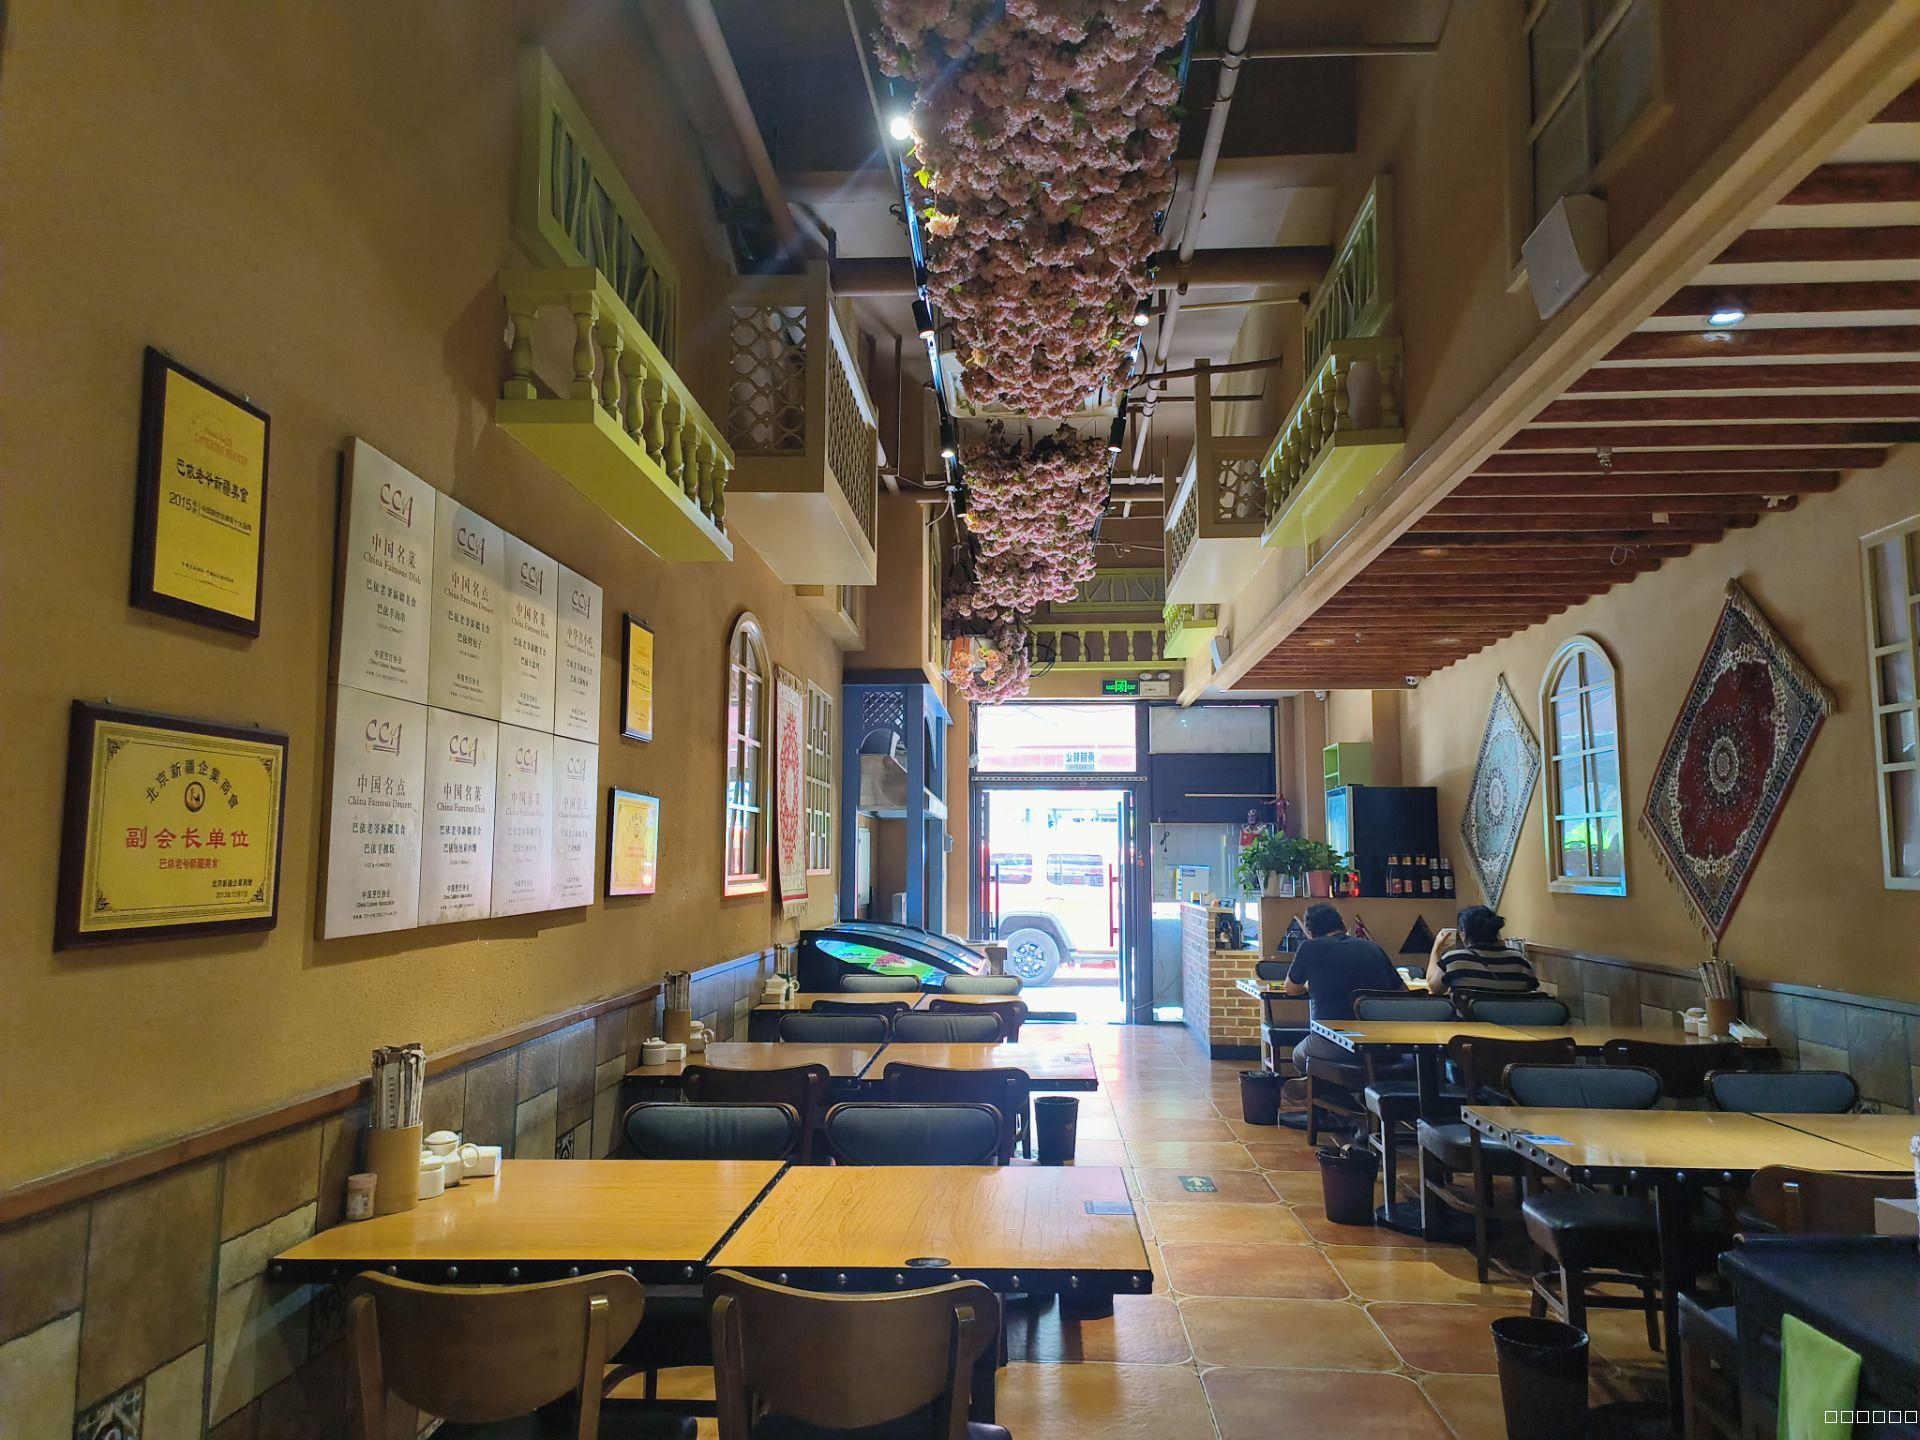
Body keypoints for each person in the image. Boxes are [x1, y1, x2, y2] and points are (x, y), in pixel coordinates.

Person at [1284, 902, 1406, 1085]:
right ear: (1342, 924)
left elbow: (1291, 989)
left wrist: (1311, 986)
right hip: (1384, 1046)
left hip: (1335, 1043)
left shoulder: (1309, 947)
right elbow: (1402, 991)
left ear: (1309, 931)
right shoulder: (1372, 947)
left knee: (1298, 1055)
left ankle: (1324, 1091)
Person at [1425, 905, 1537, 996]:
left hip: (1471, 1017)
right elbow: (1531, 990)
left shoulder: (1454, 959)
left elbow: (1434, 988)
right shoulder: (1519, 960)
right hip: (1513, 1017)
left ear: (1463, 932)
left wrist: (1436, 949)